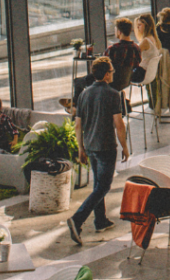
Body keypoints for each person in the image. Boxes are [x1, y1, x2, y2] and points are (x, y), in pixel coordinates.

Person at [67, 57, 129, 244]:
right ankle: (77, 219)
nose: (114, 73)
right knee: (103, 186)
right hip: (106, 146)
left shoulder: (84, 94)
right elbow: (119, 124)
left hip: (90, 146)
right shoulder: (113, 94)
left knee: (98, 185)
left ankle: (100, 220)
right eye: (111, 70)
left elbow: (78, 125)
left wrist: (81, 148)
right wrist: (125, 147)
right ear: (106, 73)